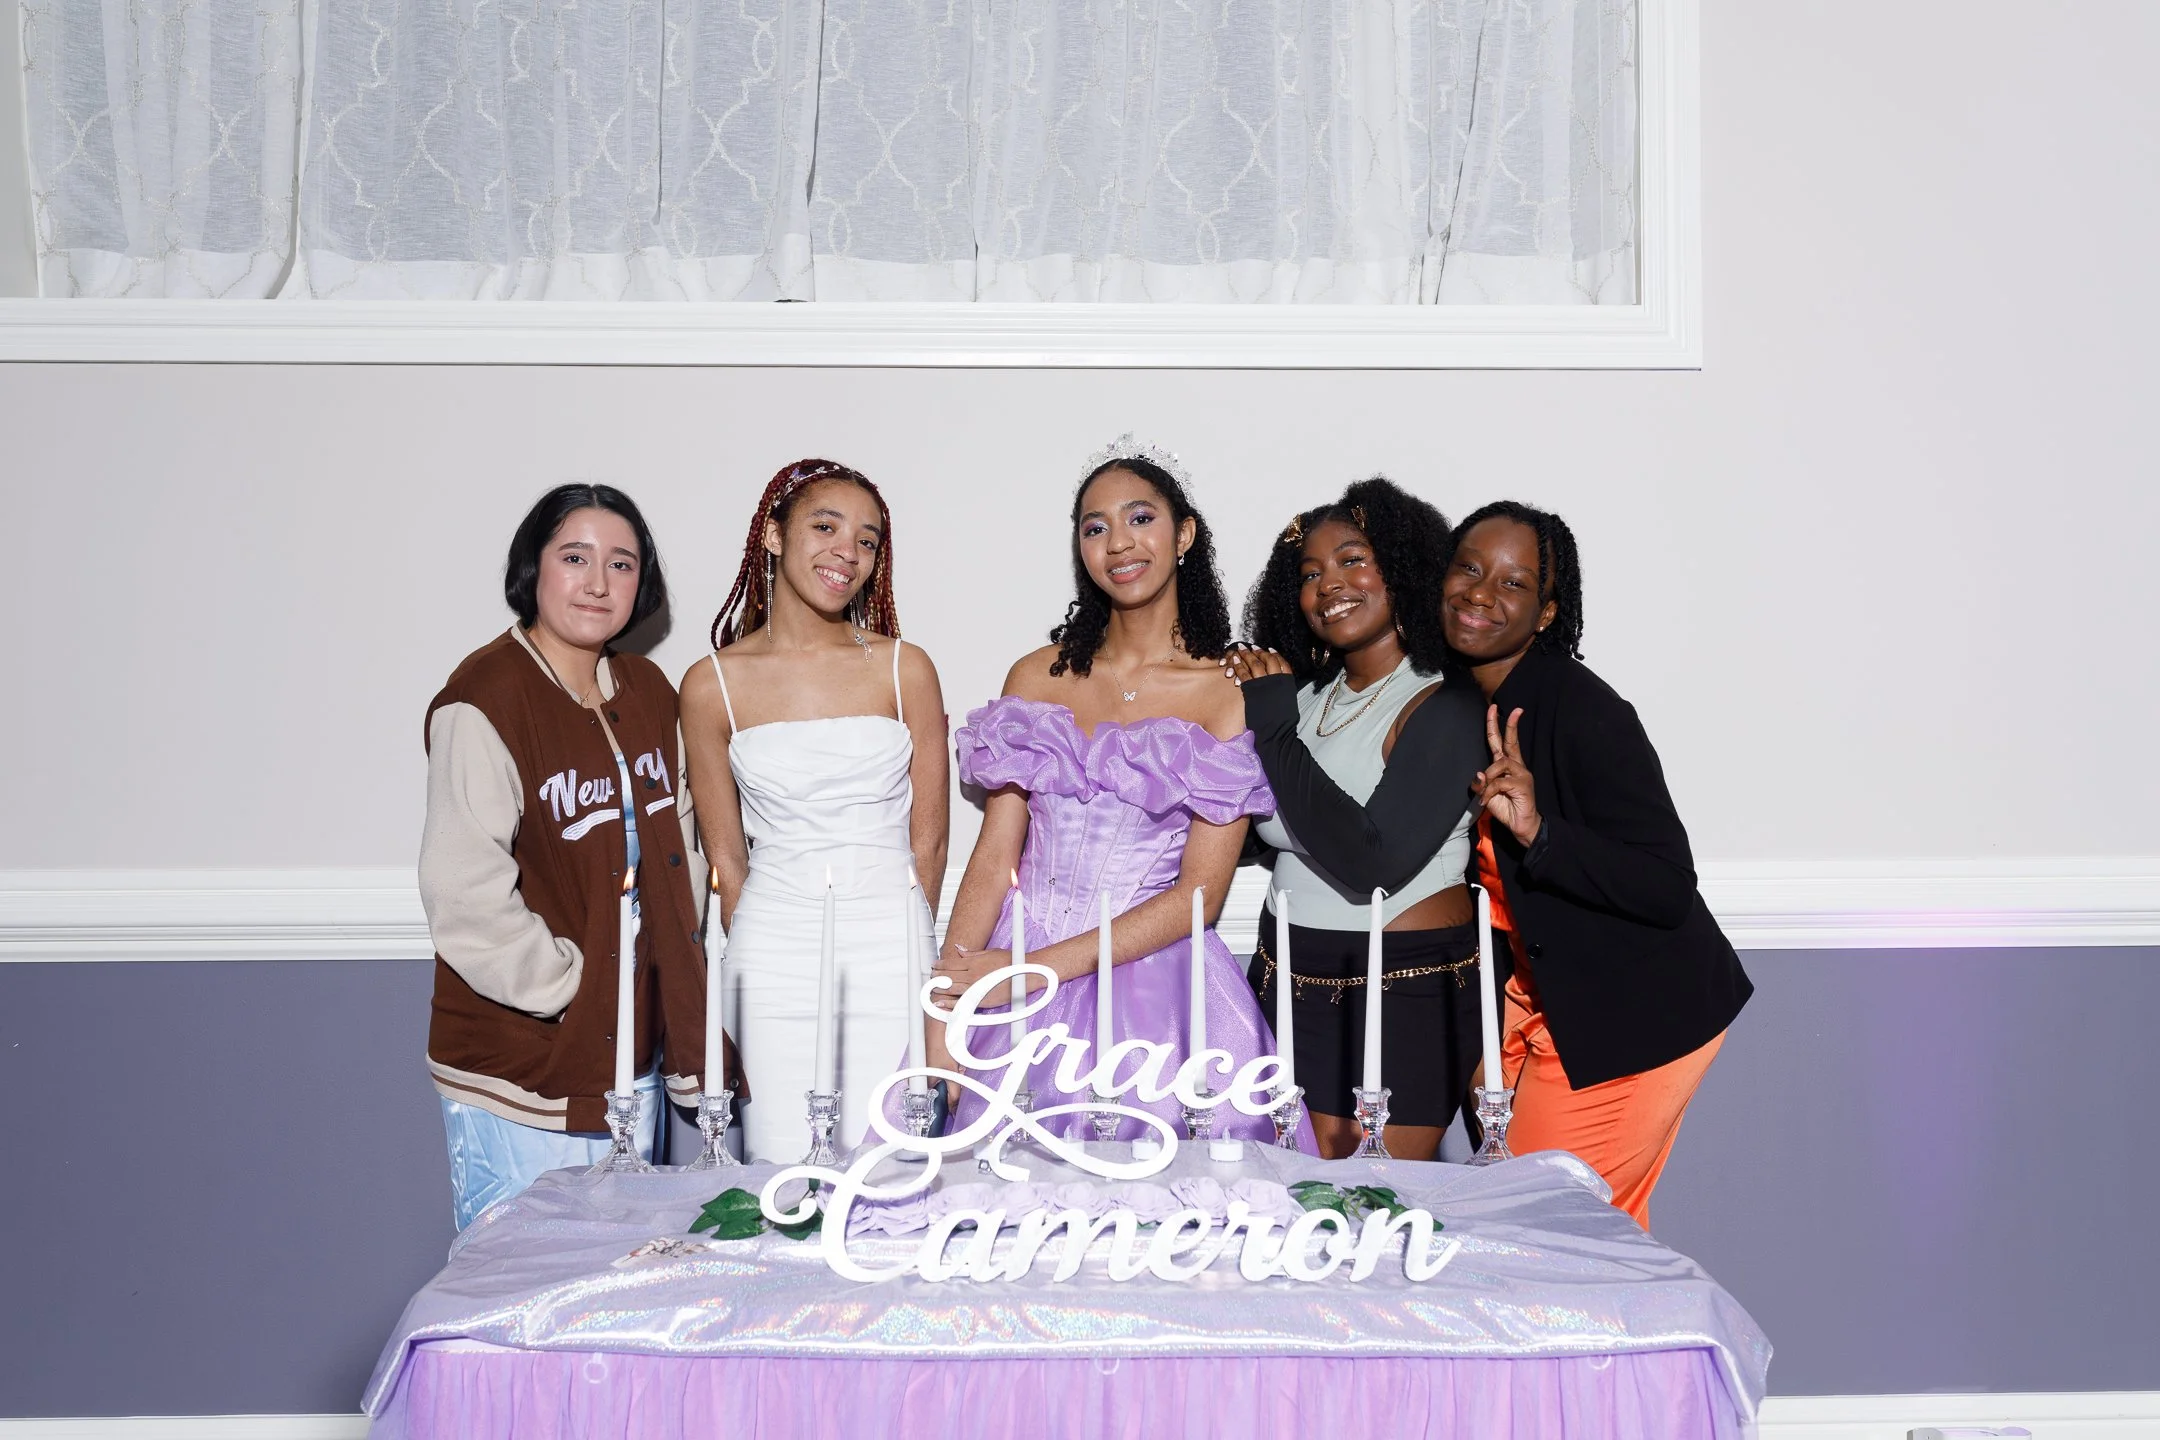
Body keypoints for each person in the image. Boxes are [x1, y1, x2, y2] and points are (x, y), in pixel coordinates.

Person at [1236, 499, 1751, 1227]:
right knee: (1504, 1217)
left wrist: (1541, 832)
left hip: (1624, 1014)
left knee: (1548, 1227)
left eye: (1513, 583)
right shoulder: (1459, 694)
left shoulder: (1580, 710)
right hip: (1522, 1005)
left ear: (1546, 611)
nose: (1481, 594)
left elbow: (1666, 886)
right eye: (1469, 570)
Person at [929, 439, 1308, 1147]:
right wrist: (944, 1003)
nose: (1119, 542)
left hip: (1155, 989)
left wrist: (1033, 972)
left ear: (1184, 533)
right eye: (1095, 527)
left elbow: (1201, 895)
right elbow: (992, 857)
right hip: (1009, 976)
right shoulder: (1035, 677)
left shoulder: (1225, 693)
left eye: (1140, 518)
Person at [420, 484, 717, 1230]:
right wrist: (571, 987)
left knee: (616, 1285)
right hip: (526, 1067)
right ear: (535, 568)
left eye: (621, 564)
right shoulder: (485, 696)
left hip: (627, 1059)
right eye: (575, 557)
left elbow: (680, 842)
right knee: (523, 1291)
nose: (597, 582)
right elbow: (465, 891)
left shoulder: (648, 691)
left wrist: (655, 981)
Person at [681, 459, 948, 1162]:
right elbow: (727, 858)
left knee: (895, 1162)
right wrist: (755, 949)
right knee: (781, 1161)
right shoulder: (711, 685)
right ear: (772, 536)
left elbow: (930, 847)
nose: (847, 554)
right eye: (825, 527)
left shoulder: (906, 667)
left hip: (891, 940)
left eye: (866, 541)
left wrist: (913, 944)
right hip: (772, 950)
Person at [1224, 478, 1487, 1159]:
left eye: (1351, 559)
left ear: (1402, 567)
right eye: (1309, 573)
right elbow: (1269, 829)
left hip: (1401, 986)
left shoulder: (1446, 705)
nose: (1327, 584)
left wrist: (1275, 734)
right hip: (1286, 973)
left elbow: (1373, 859)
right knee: (1295, 1207)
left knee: (1376, 1211)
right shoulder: (1308, 696)